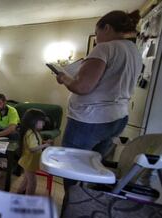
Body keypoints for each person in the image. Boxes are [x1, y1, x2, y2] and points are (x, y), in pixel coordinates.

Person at [55, 10, 142, 190]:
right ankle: (88, 202)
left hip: (89, 120)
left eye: (97, 33)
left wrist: (63, 77)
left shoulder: (105, 48)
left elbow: (82, 87)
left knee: (71, 168)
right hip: (117, 117)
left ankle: (72, 206)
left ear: (107, 27)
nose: (96, 39)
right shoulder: (134, 50)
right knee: (93, 166)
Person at [17, 109, 53, 195]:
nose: (43, 124)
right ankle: (28, 202)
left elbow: (36, 143)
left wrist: (44, 142)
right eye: (42, 121)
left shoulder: (34, 132)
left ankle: (18, 194)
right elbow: (32, 148)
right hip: (29, 162)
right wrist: (45, 146)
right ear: (33, 121)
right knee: (32, 183)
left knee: (26, 180)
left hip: (29, 161)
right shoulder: (31, 133)